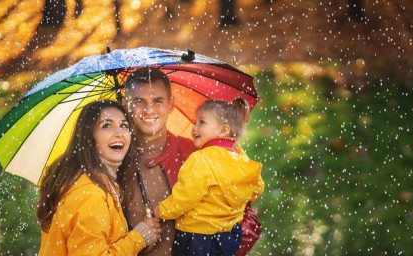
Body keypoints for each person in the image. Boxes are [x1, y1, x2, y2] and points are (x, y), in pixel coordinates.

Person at [122, 67, 262, 256]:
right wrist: (136, 240)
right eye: (139, 101)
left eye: (158, 101)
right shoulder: (114, 161)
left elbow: (246, 216)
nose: (149, 110)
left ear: (171, 104)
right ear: (125, 103)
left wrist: (219, 249)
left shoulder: (200, 153)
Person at [37, 100, 161, 255]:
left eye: (124, 125)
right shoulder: (90, 195)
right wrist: (139, 238)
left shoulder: (100, 185)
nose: (119, 133)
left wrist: (141, 239)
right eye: (106, 125)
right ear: (90, 137)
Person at [153, 98, 264, 256]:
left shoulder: (201, 159)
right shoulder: (241, 158)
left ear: (223, 130)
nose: (194, 128)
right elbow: (256, 189)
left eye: (202, 122)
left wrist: (162, 211)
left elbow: (185, 197)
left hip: (196, 238)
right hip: (228, 237)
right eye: (195, 122)